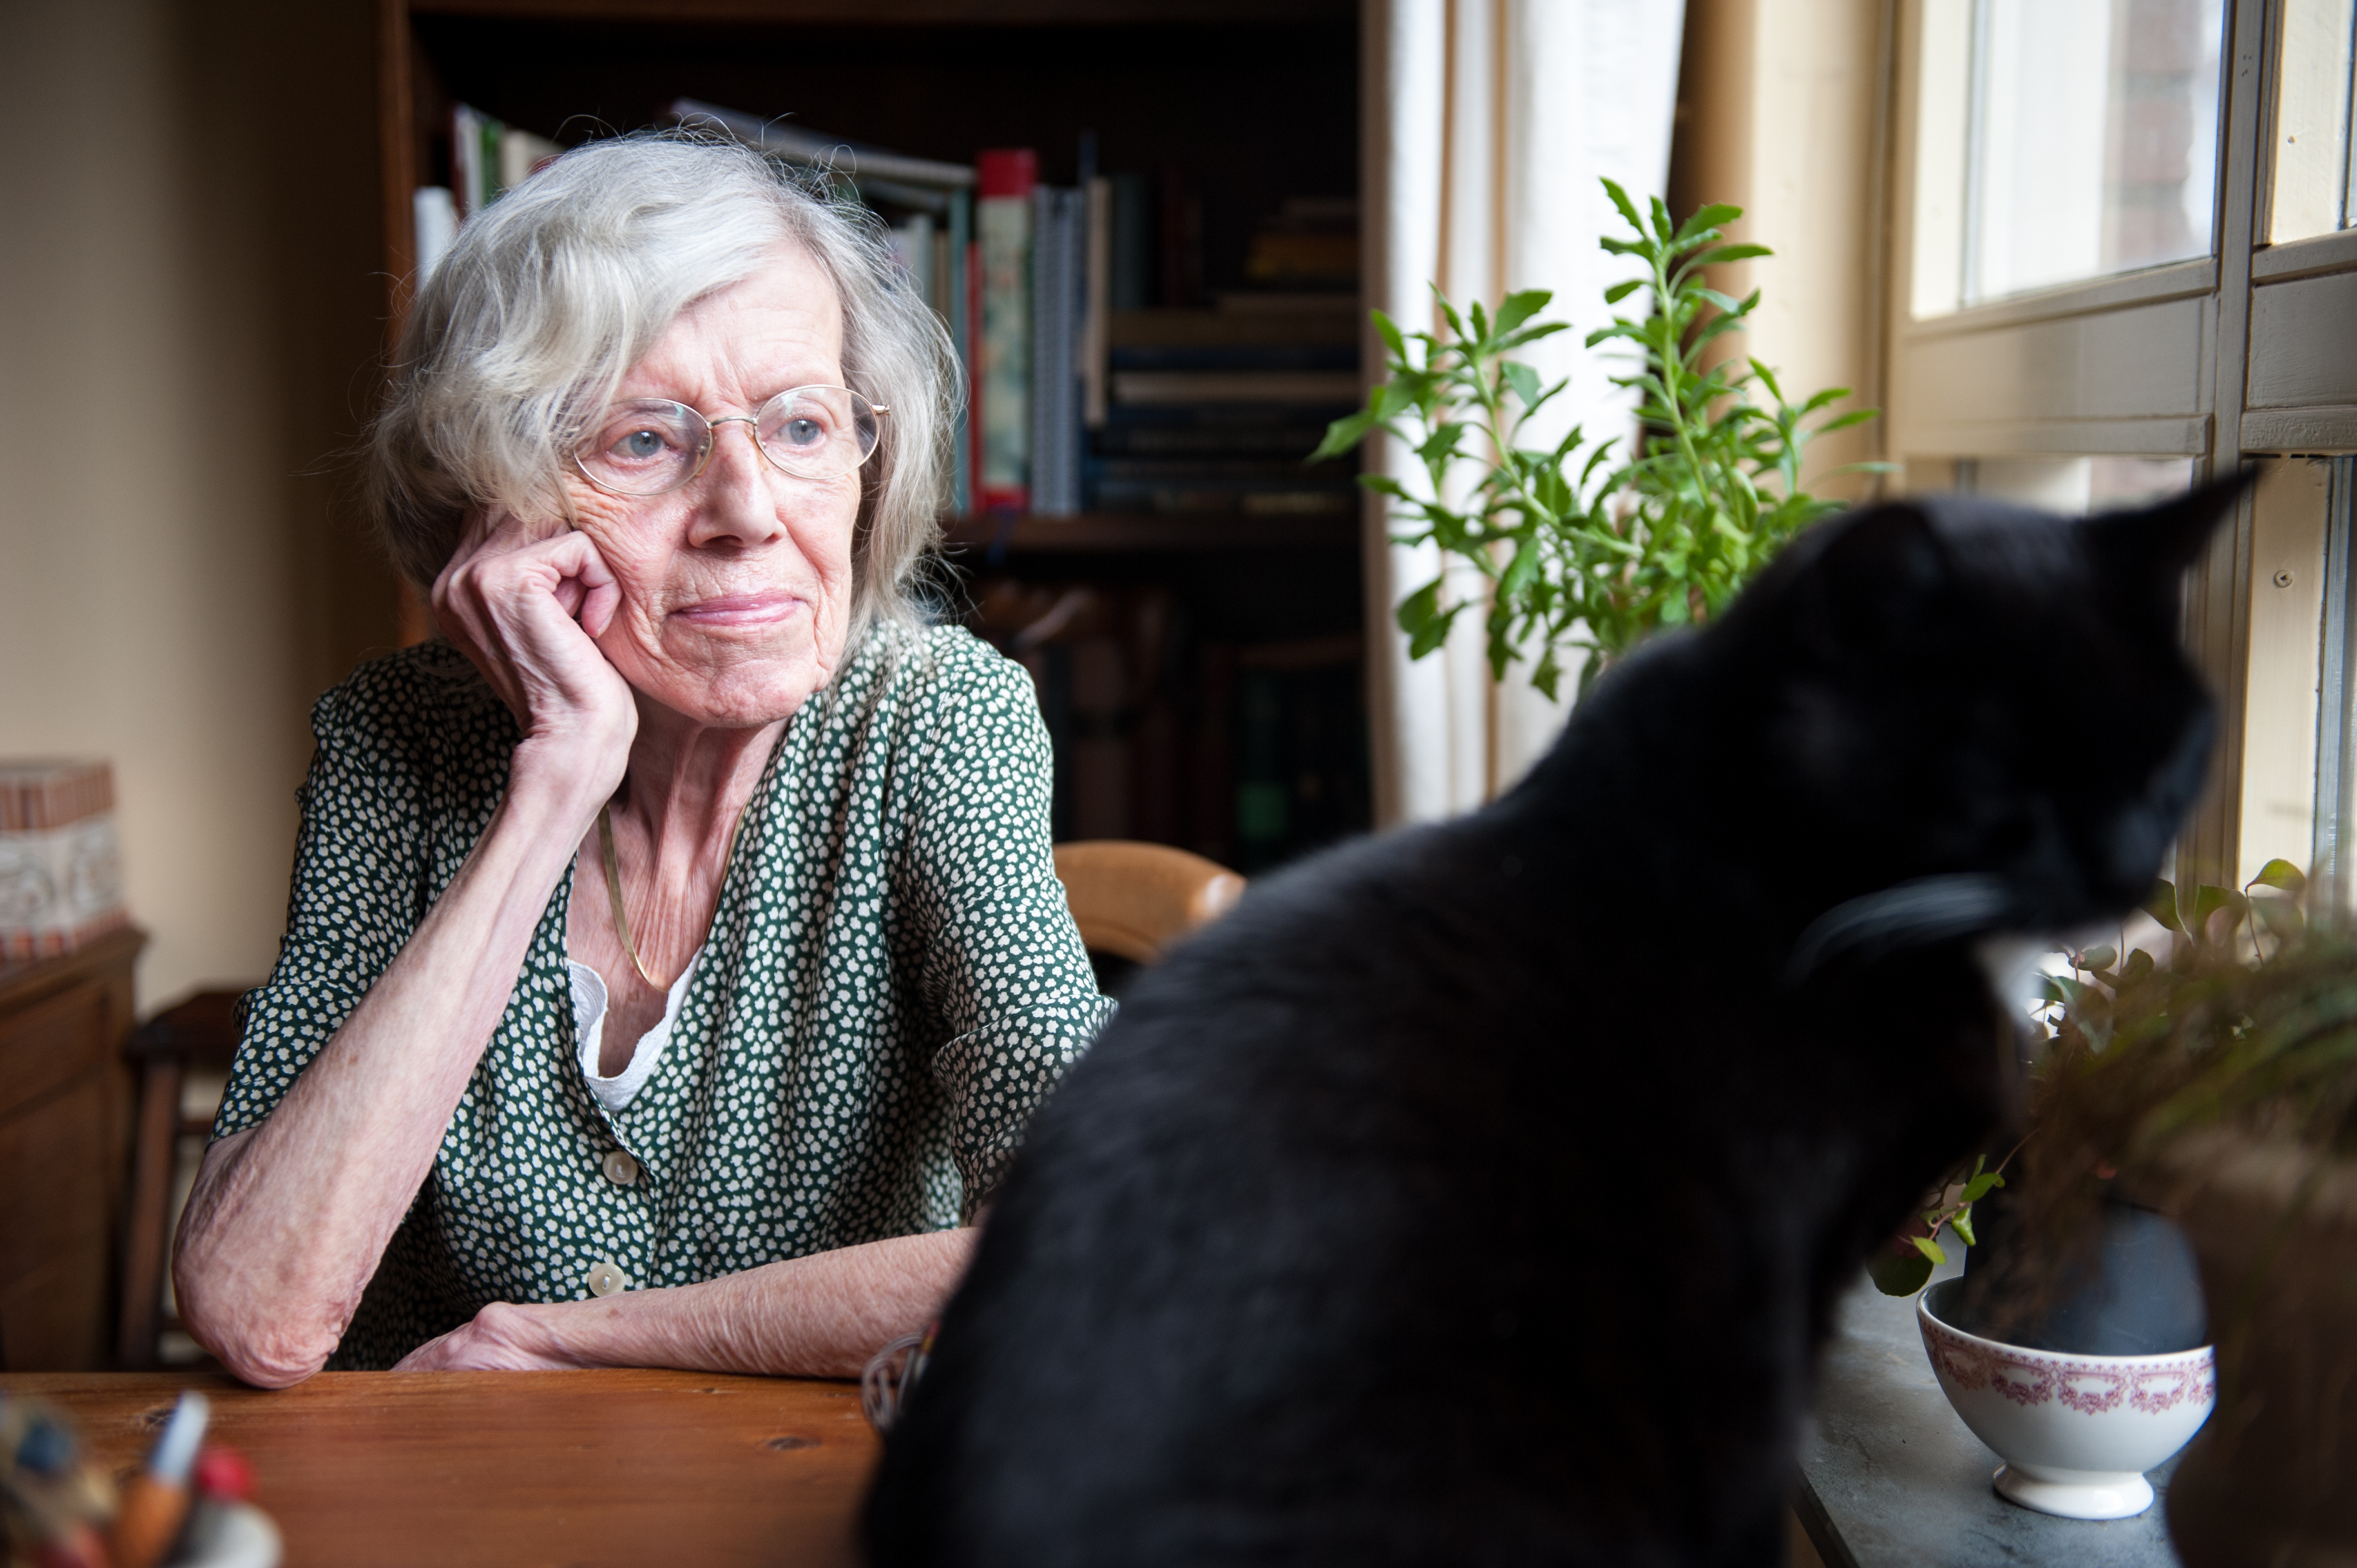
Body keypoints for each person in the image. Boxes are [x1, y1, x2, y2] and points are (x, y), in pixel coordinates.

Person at [171, 133, 1113, 1387]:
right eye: (642, 442)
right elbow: (253, 1310)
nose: (748, 509)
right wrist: (556, 781)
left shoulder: (938, 726)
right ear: (496, 498)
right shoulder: (395, 744)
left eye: (799, 425)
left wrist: (574, 1341)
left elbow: (1096, 1231)